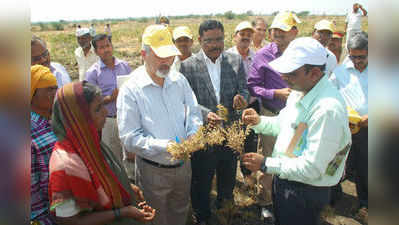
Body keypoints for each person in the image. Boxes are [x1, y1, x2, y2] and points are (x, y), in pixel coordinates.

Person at [242, 37, 352, 225]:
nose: (284, 78)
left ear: (315, 73)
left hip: (306, 190)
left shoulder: (327, 110)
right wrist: (259, 122)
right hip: (287, 178)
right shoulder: (299, 91)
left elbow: (312, 168)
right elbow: (284, 124)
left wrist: (266, 164)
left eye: (291, 73)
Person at [117, 24, 202, 225]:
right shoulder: (131, 90)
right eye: (159, 56)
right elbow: (129, 137)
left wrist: (193, 134)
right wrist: (166, 147)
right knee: (156, 218)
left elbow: (194, 113)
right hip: (153, 171)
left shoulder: (179, 80)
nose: (166, 61)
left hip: (183, 166)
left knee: (180, 211)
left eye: (169, 55)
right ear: (143, 54)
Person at [48, 81, 155, 225]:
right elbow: (69, 221)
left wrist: (128, 188)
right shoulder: (65, 165)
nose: (105, 112)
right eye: (98, 109)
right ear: (79, 117)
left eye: (103, 105)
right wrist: (123, 212)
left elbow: (106, 176)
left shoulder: (90, 143)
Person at [180, 20, 249, 225]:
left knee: (228, 178)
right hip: (204, 134)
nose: (215, 44)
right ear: (200, 40)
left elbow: (244, 88)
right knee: (202, 180)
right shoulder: (188, 66)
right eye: (209, 40)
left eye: (219, 39)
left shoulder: (235, 61)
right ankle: (202, 216)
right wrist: (204, 114)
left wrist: (241, 98)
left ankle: (225, 212)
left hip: (231, 134)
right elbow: (185, 100)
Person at [247, 10, 300, 212]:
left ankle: (287, 199)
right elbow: (253, 86)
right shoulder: (263, 55)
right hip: (271, 113)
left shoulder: (300, 52)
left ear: (294, 32)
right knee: (268, 158)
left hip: (298, 117)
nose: (278, 34)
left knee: (292, 156)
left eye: (283, 31)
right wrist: (274, 93)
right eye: (275, 30)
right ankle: (266, 202)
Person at [329, 32, 368, 222]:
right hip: (344, 127)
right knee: (337, 163)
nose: (357, 61)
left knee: (365, 167)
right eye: (353, 56)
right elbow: (329, 94)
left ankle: (365, 203)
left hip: (369, 129)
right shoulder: (340, 71)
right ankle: (331, 198)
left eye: (362, 56)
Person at [86, 34, 132, 165]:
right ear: (95, 51)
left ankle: (131, 182)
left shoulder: (125, 66)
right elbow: (91, 103)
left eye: (108, 45)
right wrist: (110, 98)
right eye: (101, 47)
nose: (106, 49)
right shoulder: (92, 73)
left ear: (112, 46)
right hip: (108, 120)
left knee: (130, 153)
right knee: (113, 157)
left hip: (127, 116)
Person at [226, 21, 259, 184]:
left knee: (250, 141)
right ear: (234, 37)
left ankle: (248, 176)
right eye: (242, 34)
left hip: (252, 105)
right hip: (232, 107)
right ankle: (229, 178)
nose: (246, 37)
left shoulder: (257, 57)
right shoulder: (226, 57)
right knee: (232, 142)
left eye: (249, 34)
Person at [30, 65, 58, 225]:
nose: (54, 94)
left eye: (55, 88)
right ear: (32, 94)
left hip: (59, 210)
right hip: (42, 215)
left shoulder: (51, 121)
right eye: (48, 90)